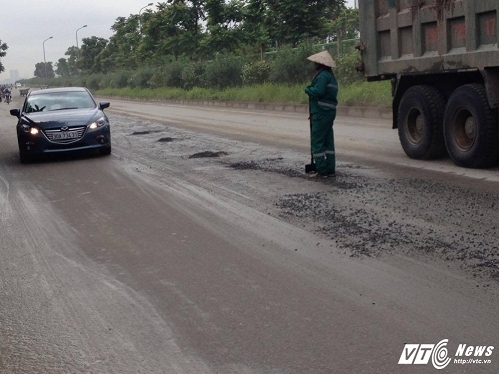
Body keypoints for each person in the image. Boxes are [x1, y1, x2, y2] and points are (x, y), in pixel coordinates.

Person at [305, 50, 338, 178]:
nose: (314, 64)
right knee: (328, 141)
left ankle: (321, 171)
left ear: (320, 63)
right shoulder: (330, 76)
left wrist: (308, 89)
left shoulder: (323, 76)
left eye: (315, 62)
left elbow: (318, 92)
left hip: (321, 113)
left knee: (317, 142)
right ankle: (330, 169)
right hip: (328, 113)